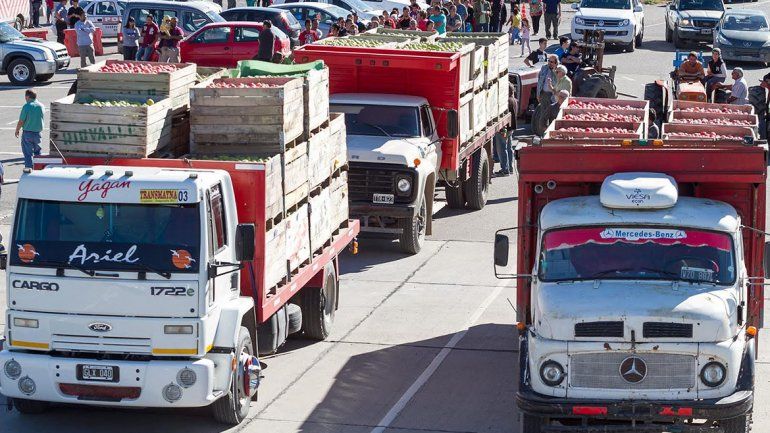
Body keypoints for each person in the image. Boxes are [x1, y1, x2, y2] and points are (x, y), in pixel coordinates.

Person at [16, 90, 44, 169]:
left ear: (27, 97)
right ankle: (39, 169)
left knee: (28, 154)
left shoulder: (27, 106)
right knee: (38, 152)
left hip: (27, 133)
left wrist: (17, 130)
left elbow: (21, 121)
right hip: (38, 133)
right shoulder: (41, 106)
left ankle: (29, 170)